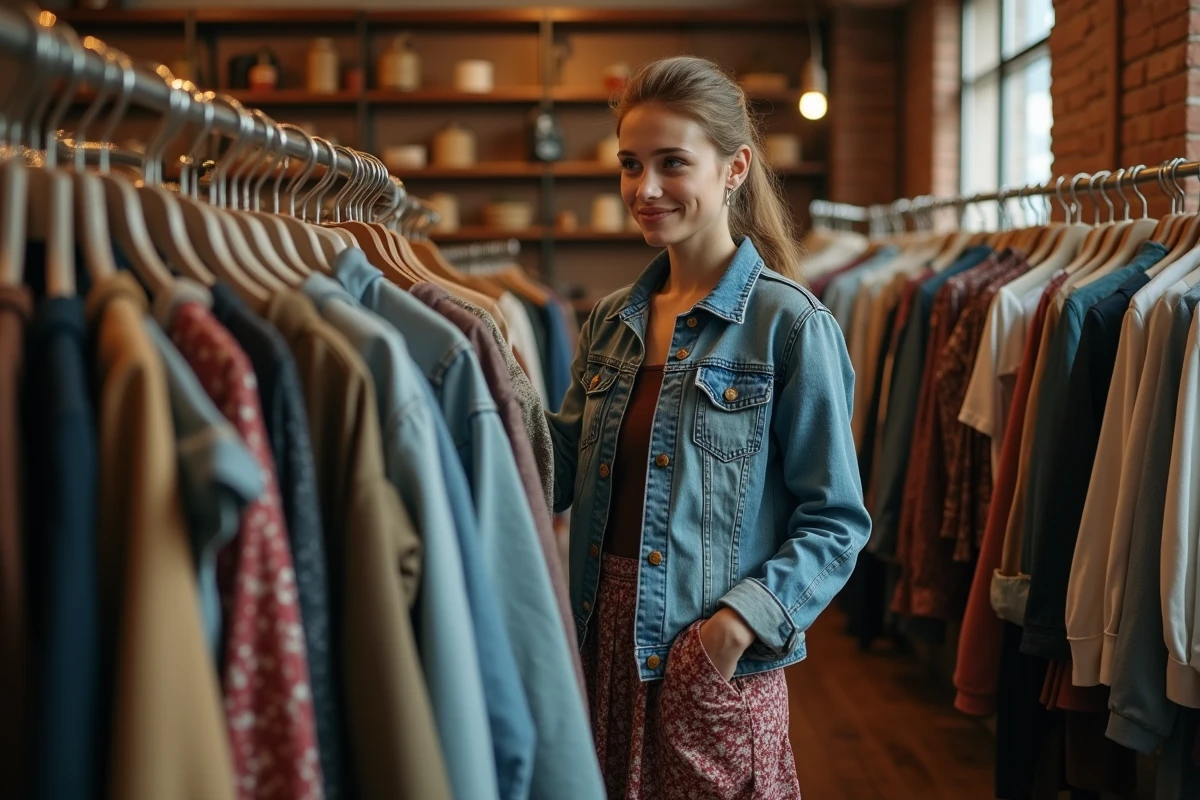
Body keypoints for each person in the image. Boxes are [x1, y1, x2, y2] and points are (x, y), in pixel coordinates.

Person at [546, 55, 873, 798]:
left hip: (706, 653)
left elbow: (836, 521)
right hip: (599, 644)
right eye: (631, 165)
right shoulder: (610, 322)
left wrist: (733, 628)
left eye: (672, 163)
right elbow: (558, 470)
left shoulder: (790, 324)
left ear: (735, 168)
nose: (645, 189)